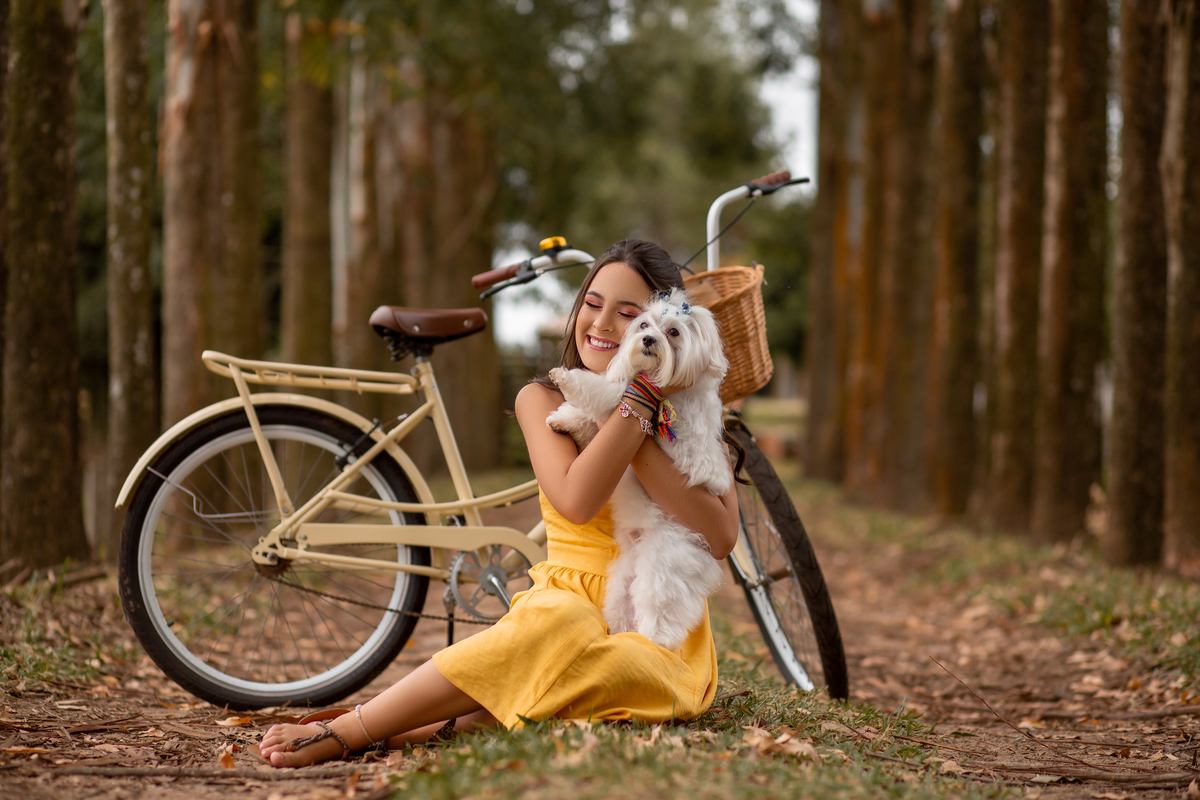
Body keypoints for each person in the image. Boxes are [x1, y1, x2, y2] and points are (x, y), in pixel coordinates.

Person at [260, 239, 739, 767]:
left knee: (624, 666)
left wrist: (646, 406)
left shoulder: (694, 418)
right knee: (557, 630)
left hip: (656, 619)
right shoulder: (545, 400)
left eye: (628, 314)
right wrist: (634, 407)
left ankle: (424, 728)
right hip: (568, 598)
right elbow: (577, 500)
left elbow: (719, 538)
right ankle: (354, 727)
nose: (602, 325)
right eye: (592, 303)